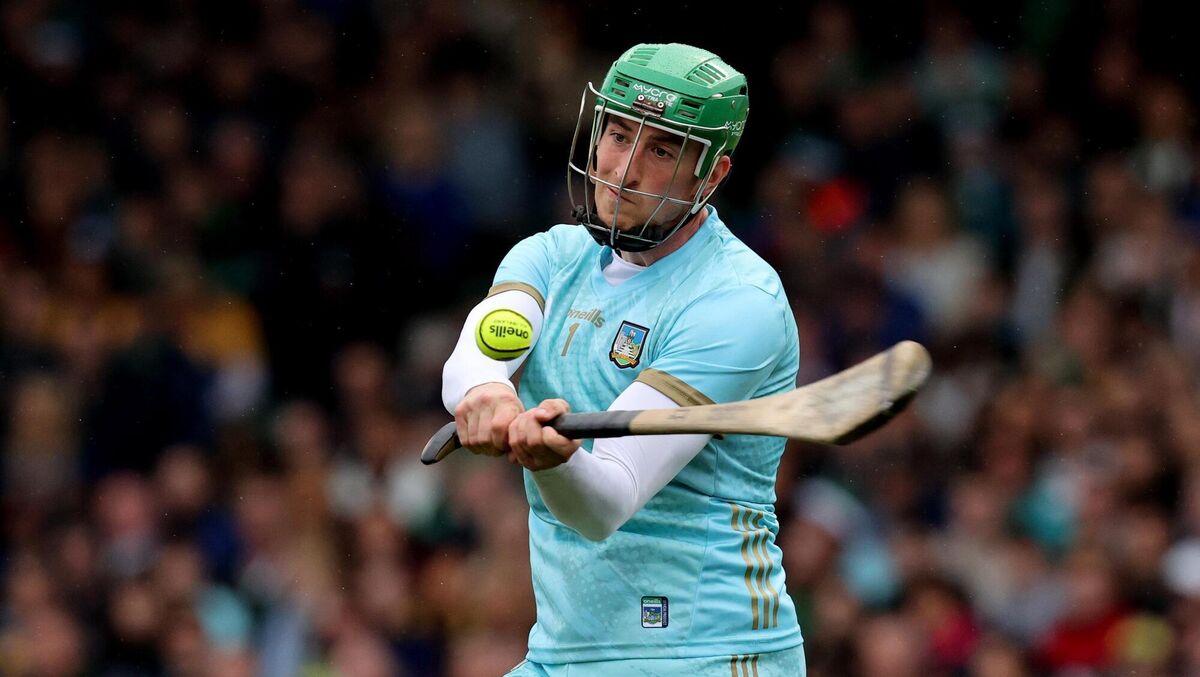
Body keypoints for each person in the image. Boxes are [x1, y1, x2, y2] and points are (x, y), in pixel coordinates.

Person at [441, 43, 806, 676]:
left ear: (712, 175)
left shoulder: (736, 303)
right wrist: (489, 394)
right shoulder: (550, 257)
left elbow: (604, 500)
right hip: (566, 654)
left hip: (706, 654)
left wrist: (551, 461)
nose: (624, 168)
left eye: (662, 149)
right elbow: (478, 351)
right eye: (617, 133)